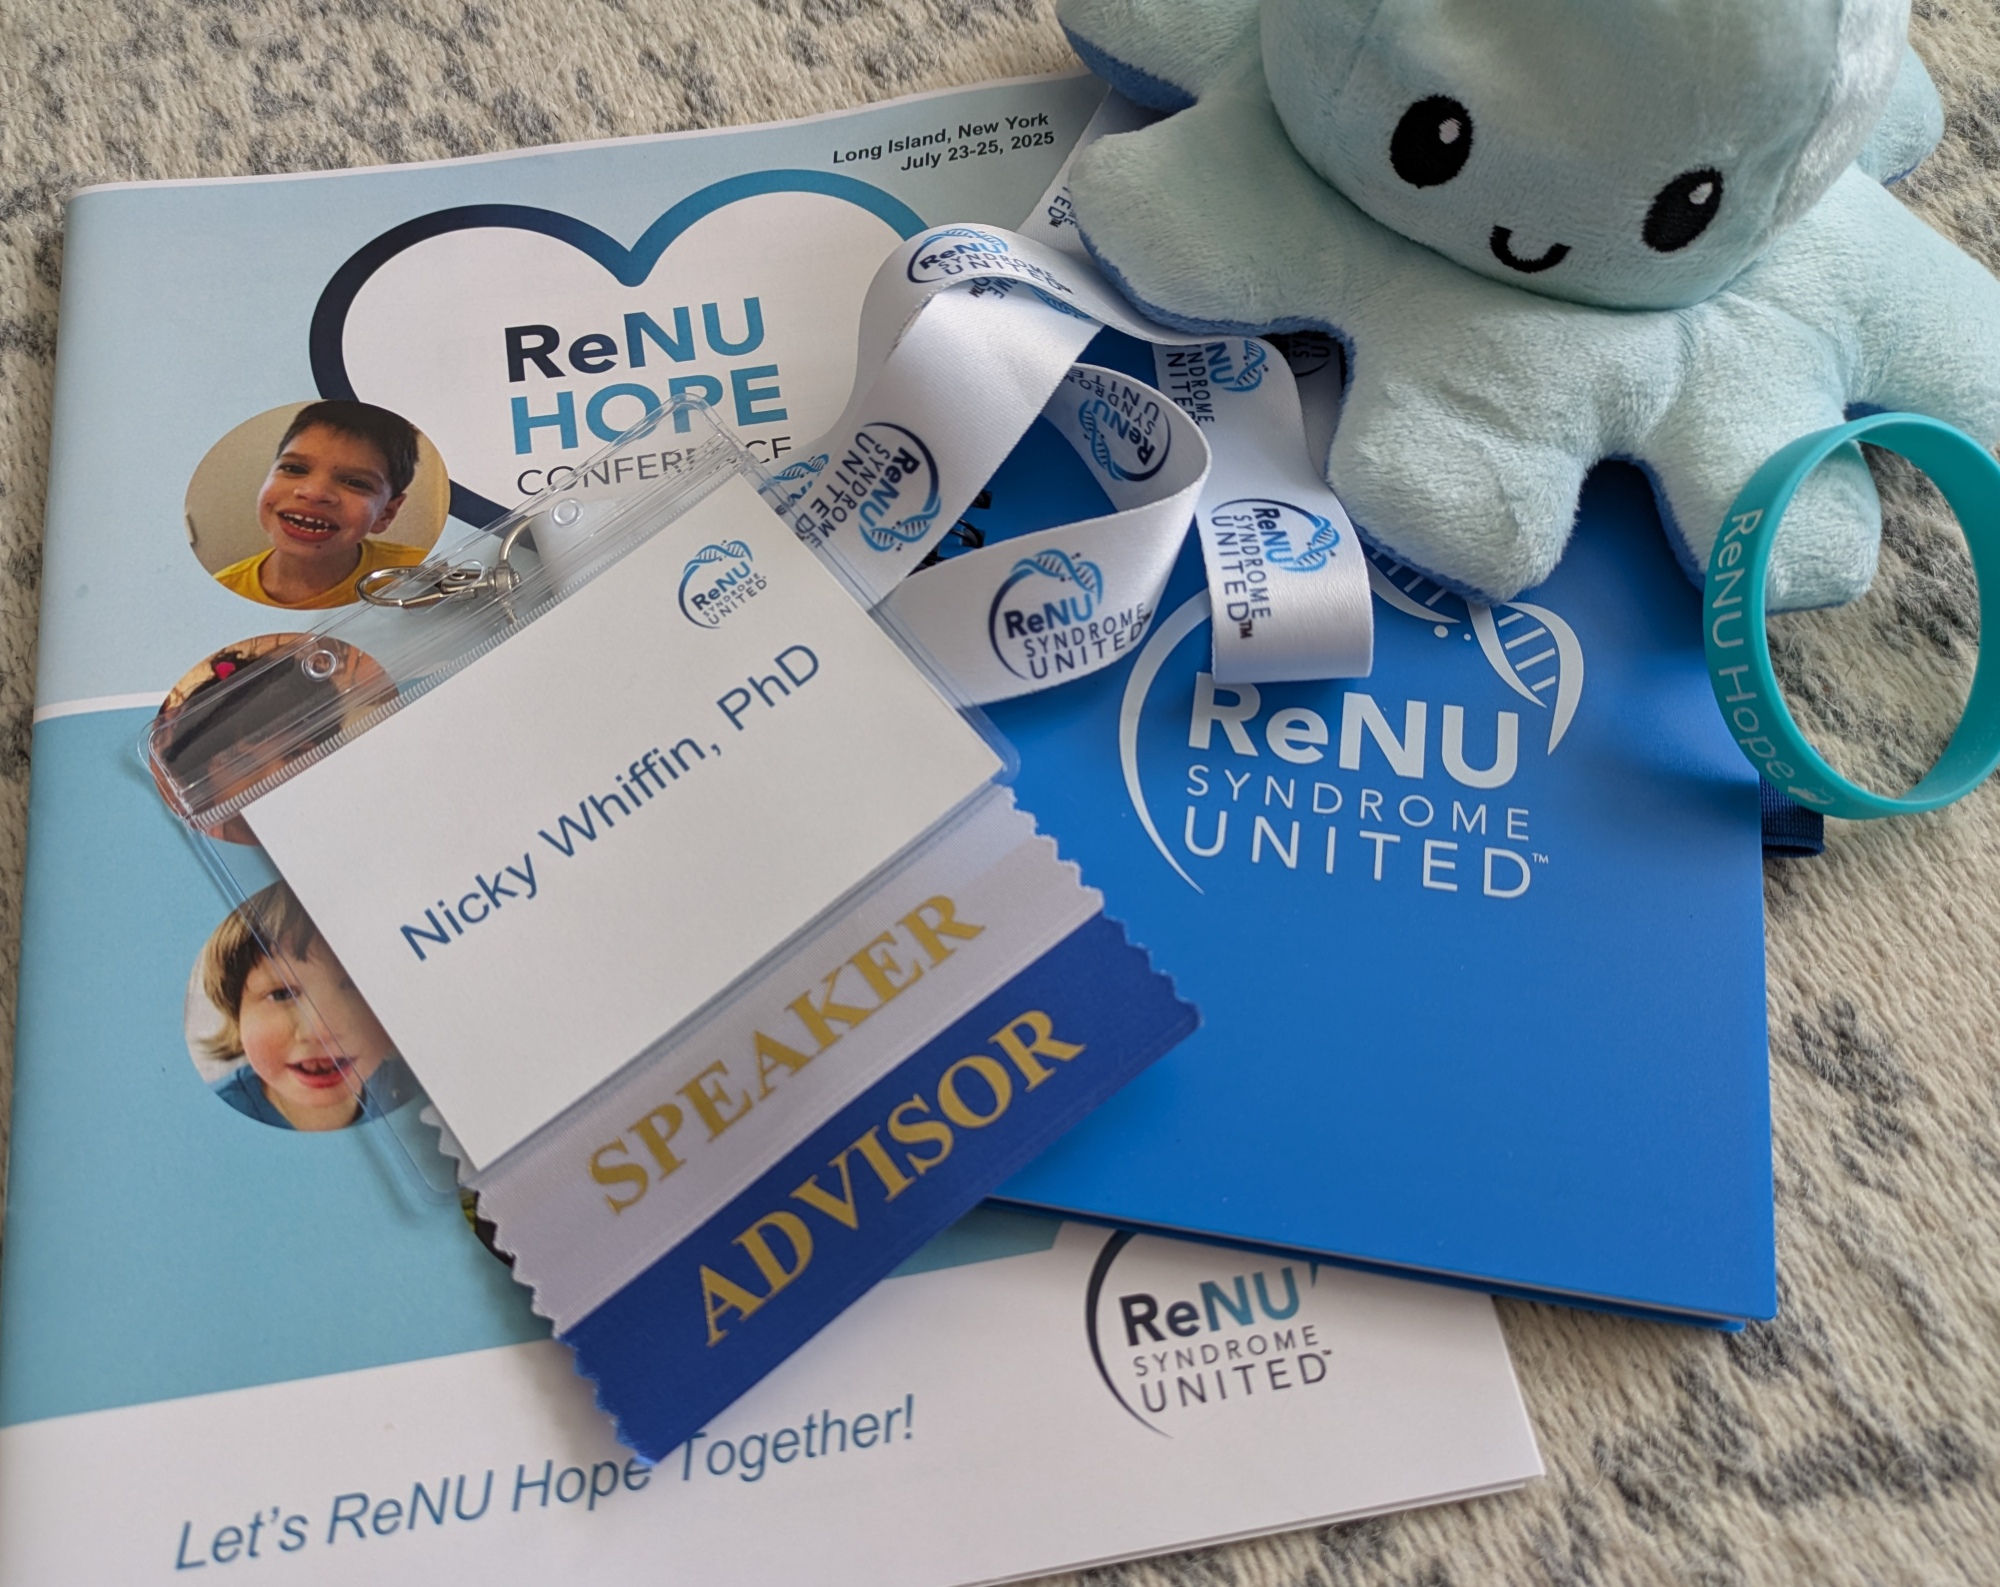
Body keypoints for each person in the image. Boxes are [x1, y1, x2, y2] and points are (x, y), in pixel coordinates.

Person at [195, 881, 408, 1131]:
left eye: (354, 986)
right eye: (282, 994)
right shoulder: (210, 1124)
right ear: (236, 1013)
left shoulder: (412, 1084)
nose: (320, 1031)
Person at [213, 400, 428, 609]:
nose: (314, 493)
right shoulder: (219, 592)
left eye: (355, 483)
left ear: (386, 513)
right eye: (294, 469)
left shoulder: (423, 574)